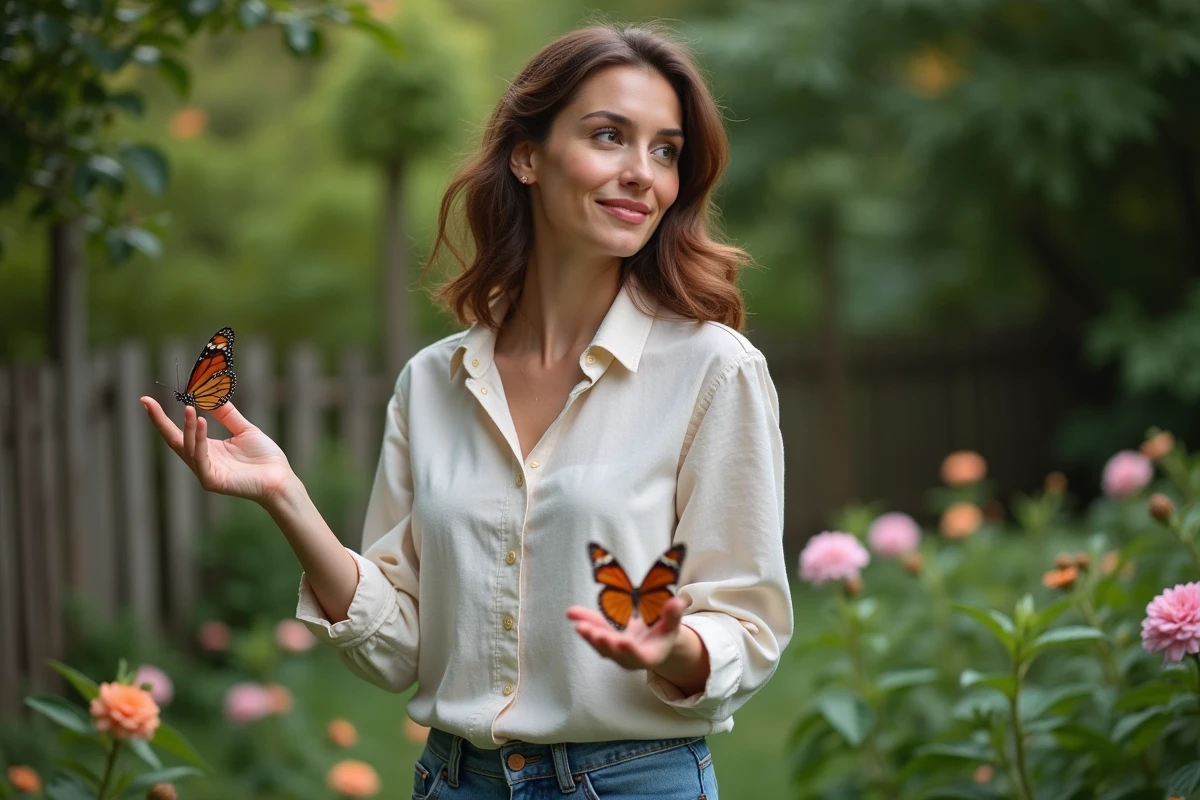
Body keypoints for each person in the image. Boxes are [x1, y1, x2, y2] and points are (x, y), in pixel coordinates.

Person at [141, 21, 792, 800]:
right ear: (526, 155)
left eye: (665, 150)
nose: (641, 174)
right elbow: (401, 651)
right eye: (609, 136)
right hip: (454, 781)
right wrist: (287, 498)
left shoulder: (714, 371)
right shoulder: (434, 382)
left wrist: (673, 648)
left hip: (635, 782)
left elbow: (749, 628)